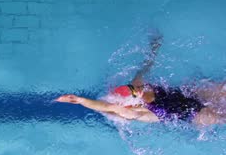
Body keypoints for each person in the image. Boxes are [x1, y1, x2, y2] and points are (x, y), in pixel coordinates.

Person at [55, 33, 226, 126]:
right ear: (132, 103)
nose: (137, 89)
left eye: (131, 88)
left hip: (189, 95)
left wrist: (154, 49)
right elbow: (109, 107)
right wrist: (81, 100)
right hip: (193, 114)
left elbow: (146, 67)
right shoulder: (138, 113)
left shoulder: (138, 86)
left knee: (222, 88)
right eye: (134, 93)